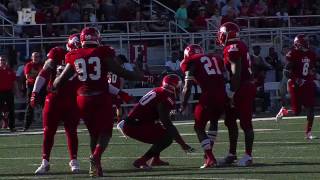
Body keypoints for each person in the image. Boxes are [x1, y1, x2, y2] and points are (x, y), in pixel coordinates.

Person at [53, 27, 147, 177]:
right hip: (101, 96)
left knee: (93, 134)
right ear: (97, 38)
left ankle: (96, 167)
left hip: (83, 99)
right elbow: (120, 72)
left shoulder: (73, 55)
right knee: (105, 132)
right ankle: (96, 156)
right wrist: (140, 76)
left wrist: (56, 77)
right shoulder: (104, 52)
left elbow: (58, 83)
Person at [117, 74, 194, 169]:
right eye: (178, 85)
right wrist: (182, 144)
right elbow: (167, 123)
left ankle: (155, 160)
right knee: (167, 138)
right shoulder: (165, 96)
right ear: (173, 85)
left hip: (136, 122)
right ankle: (141, 161)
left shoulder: (160, 91)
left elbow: (159, 117)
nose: (180, 87)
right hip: (133, 125)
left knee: (161, 131)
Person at [33, 34, 82, 174]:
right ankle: (45, 161)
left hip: (72, 100)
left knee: (71, 131)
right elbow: (44, 73)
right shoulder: (57, 53)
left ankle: (73, 160)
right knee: (48, 132)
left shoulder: (85, 57)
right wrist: (35, 92)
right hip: (54, 99)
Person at [180, 44, 226, 168]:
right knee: (214, 121)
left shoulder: (192, 61)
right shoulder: (215, 58)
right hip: (223, 94)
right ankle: (208, 154)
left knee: (198, 127)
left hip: (208, 96)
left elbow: (187, 86)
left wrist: (183, 104)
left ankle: (210, 157)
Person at [217, 22, 256, 166]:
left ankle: (248, 156)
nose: (220, 36)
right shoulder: (239, 45)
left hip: (242, 87)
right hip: (241, 85)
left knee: (245, 123)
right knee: (230, 121)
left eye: (221, 34)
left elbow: (237, 72)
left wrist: (231, 92)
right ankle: (232, 154)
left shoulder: (232, 48)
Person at [276, 34, 317, 140]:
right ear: (298, 43)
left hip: (307, 83)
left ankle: (308, 133)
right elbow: (286, 72)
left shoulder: (311, 54)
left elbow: (311, 68)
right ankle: (284, 111)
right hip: (296, 84)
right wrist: (297, 79)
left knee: (310, 109)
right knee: (296, 111)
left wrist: (312, 74)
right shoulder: (292, 54)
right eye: (304, 41)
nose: (306, 43)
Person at [23, 51, 44, 131]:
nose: (36, 58)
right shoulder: (29, 65)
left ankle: (46, 123)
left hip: (40, 86)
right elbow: (28, 76)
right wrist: (38, 78)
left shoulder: (41, 65)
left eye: (37, 56)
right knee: (30, 106)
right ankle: (26, 126)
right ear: (32, 58)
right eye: (34, 56)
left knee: (44, 104)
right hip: (31, 87)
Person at [0, 55, 17, 132]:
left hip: (9, 92)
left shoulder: (10, 70)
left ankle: (12, 126)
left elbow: (14, 81)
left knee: (11, 109)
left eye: (3, 60)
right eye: (1, 60)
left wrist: (16, 91)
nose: (2, 61)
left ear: (6, 61)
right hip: (0, 92)